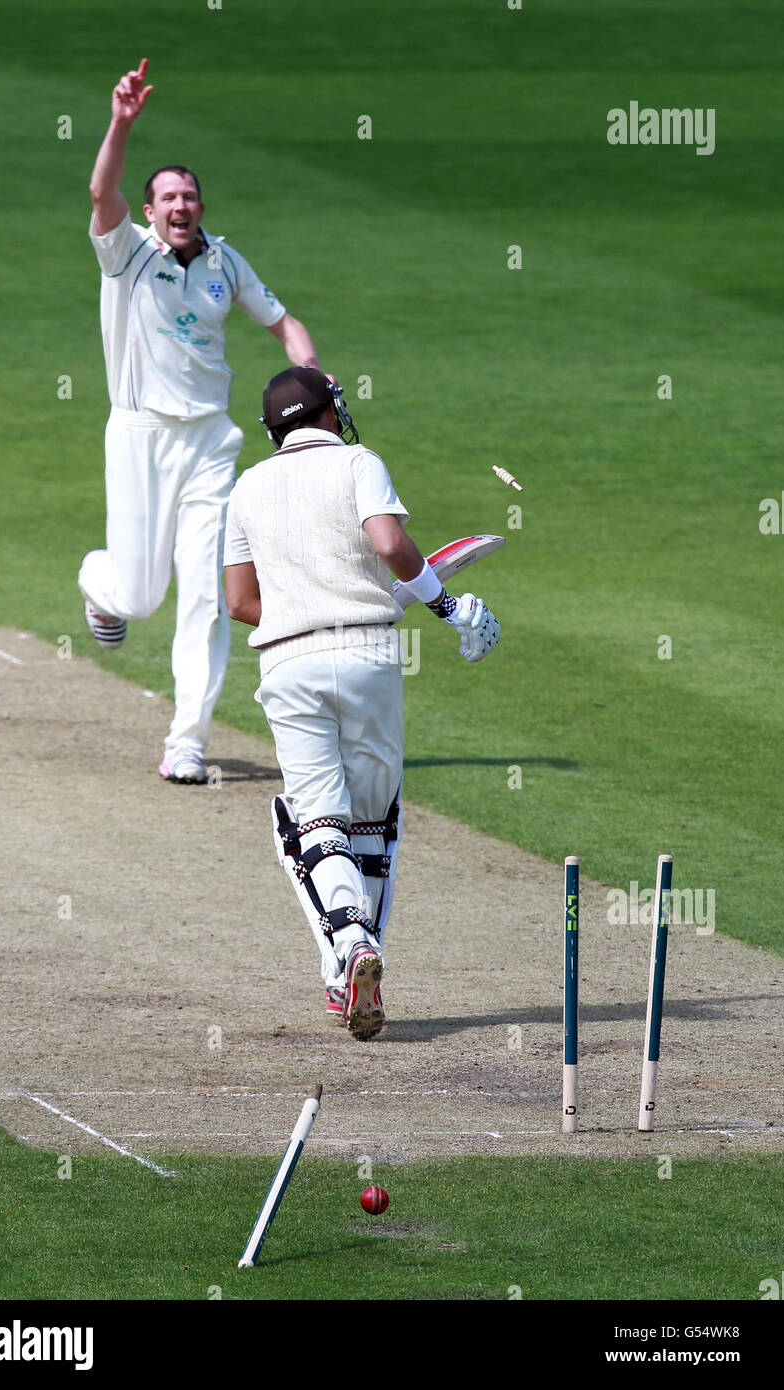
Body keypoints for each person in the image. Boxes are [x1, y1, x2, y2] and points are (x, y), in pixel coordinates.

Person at [223, 367, 501, 1039]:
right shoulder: (357, 462)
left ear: (273, 430)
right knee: (373, 823)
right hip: (370, 655)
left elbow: (237, 603)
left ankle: (347, 951)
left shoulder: (246, 487)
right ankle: (356, 951)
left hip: (287, 662)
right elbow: (389, 543)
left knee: (315, 822)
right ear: (326, 414)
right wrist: (446, 605)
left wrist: (298, 614)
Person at [79, 59, 327, 782]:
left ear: (200, 206)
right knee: (140, 595)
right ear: (149, 211)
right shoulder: (123, 253)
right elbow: (100, 191)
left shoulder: (224, 261)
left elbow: (284, 324)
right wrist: (122, 121)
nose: (180, 205)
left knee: (209, 598)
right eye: (167, 198)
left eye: (189, 195)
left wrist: (312, 374)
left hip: (211, 445)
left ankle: (186, 739)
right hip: (138, 436)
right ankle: (100, 584)